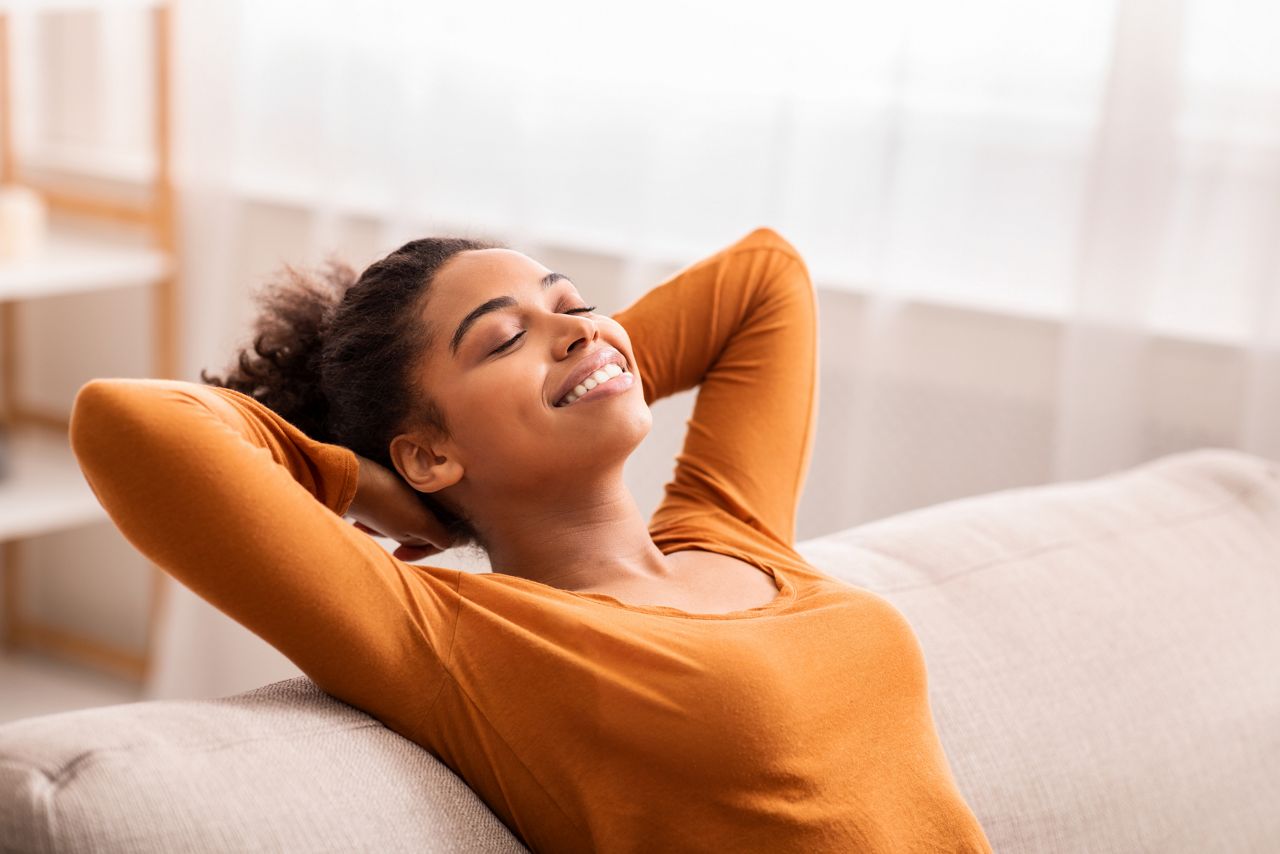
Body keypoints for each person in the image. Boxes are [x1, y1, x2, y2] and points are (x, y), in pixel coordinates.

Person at [69, 227, 993, 853]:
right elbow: (125, 422)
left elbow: (765, 277)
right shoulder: (462, 638)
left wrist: (587, 354)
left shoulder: (734, 533)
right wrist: (370, 491)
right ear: (427, 452)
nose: (575, 325)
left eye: (574, 301)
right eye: (504, 338)